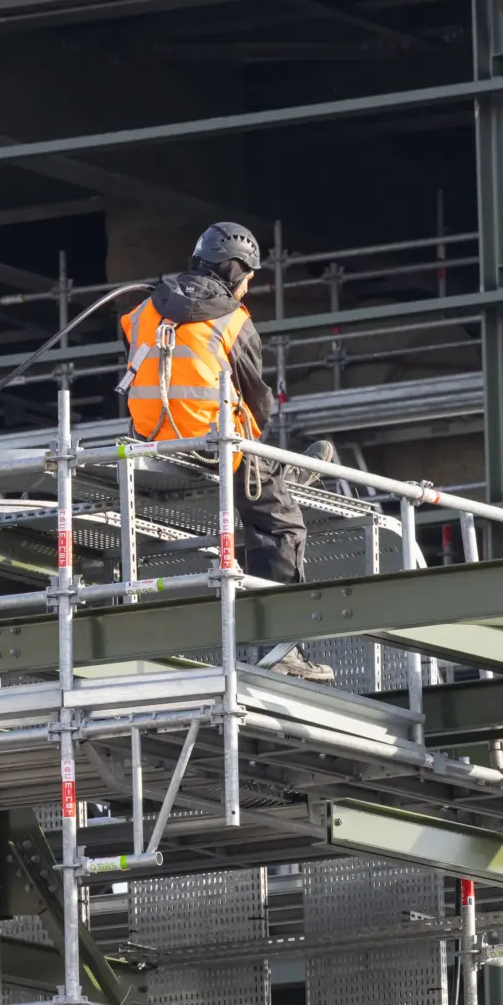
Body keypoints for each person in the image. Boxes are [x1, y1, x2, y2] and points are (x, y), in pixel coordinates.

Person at [120, 222, 332, 683]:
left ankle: (277, 474)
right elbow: (257, 400)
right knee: (280, 524)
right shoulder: (233, 319)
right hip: (214, 446)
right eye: (250, 276)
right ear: (237, 272)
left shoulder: (140, 311)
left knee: (259, 470)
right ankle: (282, 651)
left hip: (151, 440)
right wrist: (254, 452)